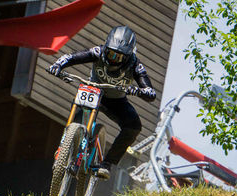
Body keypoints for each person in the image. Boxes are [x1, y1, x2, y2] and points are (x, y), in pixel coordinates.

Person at [49, 26, 156, 180]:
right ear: (106, 47)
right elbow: (71, 57)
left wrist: (137, 91)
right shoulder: (97, 52)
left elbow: (151, 93)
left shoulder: (135, 65)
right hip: (93, 91)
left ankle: (107, 164)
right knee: (76, 118)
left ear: (128, 56)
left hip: (116, 100)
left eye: (118, 57)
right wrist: (57, 65)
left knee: (134, 127)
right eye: (111, 53)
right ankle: (66, 148)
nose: (113, 58)